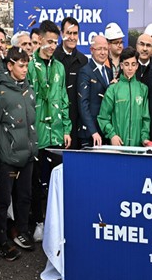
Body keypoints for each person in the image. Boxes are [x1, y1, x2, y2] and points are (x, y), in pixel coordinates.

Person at [28, 20, 71, 243]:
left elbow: (63, 99)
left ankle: (57, 224)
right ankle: (38, 222)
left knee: (56, 182)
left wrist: (66, 129)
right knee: (35, 183)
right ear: (40, 40)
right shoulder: (28, 65)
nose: (52, 46)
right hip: (36, 135)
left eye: (56, 42)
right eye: (49, 41)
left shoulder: (59, 67)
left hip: (56, 135)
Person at [0, 47, 38, 261]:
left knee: (24, 197)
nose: (25, 69)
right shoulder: (0, 91)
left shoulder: (29, 89)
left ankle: (22, 232)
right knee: (3, 200)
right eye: (21, 65)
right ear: (10, 66)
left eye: (27, 65)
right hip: (8, 156)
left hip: (28, 154)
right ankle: (1, 239)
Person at [97, 47, 150, 147]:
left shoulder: (143, 89)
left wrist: (145, 138)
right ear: (121, 66)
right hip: (118, 146)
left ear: (137, 66)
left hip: (138, 148)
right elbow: (103, 118)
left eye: (133, 64)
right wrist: (112, 135)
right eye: (126, 64)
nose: (130, 68)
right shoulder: (113, 89)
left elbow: (146, 118)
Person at [53, 17, 87, 147]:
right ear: (62, 34)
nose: (72, 37)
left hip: (75, 121)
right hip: (55, 120)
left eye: (75, 33)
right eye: (69, 33)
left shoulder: (83, 60)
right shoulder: (53, 57)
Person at [77, 35, 112, 148]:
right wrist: (93, 131)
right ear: (92, 50)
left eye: (105, 49)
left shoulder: (109, 71)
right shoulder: (85, 71)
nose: (103, 52)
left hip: (105, 131)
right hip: (90, 134)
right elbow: (83, 104)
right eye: (99, 49)